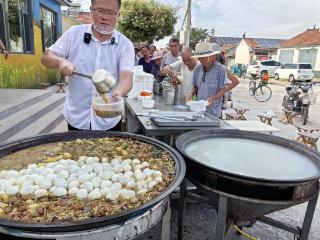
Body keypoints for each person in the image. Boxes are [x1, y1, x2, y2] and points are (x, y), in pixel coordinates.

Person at [41, 0, 134, 131]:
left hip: (109, 119)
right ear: (91, 10)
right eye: (100, 11)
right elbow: (46, 58)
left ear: (119, 14)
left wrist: (118, 93)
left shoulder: (125, 44)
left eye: (111, 12)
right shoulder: (74, 34)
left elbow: (127, 77)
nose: (105, 17)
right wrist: (60, 61)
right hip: (77, 117)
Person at [186, 42, 238, 118]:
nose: (202, 60)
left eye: (204, 58)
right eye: (200, 58)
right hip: (199, 111)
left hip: (214, 112)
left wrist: (213, 99)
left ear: (212, 56)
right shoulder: (197, 68)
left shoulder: (221, 69)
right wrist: (191, 94)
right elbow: (195, 86)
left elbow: (223, 89)